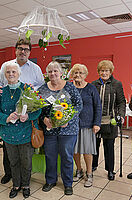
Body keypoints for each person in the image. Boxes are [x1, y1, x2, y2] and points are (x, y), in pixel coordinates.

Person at [0, 38, 44, 184]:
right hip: (9, 122)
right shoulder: (6, 65)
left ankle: (25, 183)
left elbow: (41, 91)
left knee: (25, 157)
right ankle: (11, 177)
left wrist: (30, 95)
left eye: (26, 49)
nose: (23, 52)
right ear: (15, 50)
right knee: (10, 156)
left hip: (25, 122)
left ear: (29, 52)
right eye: (20, 49)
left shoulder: (35, 68)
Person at [0, 62, 41, 199]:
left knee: (26, 161)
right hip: (8, 135)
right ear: (5, 75)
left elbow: (38, 110)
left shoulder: (27, 89)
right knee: (13, 161)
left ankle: (25, 185)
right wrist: (6, 118)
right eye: (8, 72)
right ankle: (16, 185)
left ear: (19, 73)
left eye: (14, 72)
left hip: (25, 133)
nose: (11, 74)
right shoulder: (2, 92)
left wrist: (28, 116)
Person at [39, 61, 83, 195]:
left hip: (68, 129)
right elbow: (38, 109)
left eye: (55, 71)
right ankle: (50, 180)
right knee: (50, 156)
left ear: (61, 73)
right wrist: (44, 119)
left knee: (67, 156)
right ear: (47, 74)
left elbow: (78, 105)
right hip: (50, 129)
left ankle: (68, 183)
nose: (53, 74)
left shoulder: (69, 87)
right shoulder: (42, 89)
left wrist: (67, 118)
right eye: (50, 71)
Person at [91, 60, 126, 181]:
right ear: (98, 72)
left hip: (110, 120)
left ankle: (110, 170)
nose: (104, 73)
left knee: (109, 146)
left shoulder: (117, 84)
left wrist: (121, 115)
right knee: (94, 145)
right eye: (102, 70)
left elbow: (121, 102)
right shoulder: (93, 84)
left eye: (106, 70)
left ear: (111, 71)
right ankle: (93, 165)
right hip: (95, 120)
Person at [69, 64, 102, 187]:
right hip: (72, 124)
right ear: (72, 74)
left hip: (88, 124)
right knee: (74, 150)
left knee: (87, 150)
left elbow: (98, 106)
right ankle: (79, 170)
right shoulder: (69, 88)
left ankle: (89, 173)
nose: (78, 75)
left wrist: (96, 123)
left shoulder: (91, 88)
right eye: (75, 72)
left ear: (85, 75)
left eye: (80, 73)